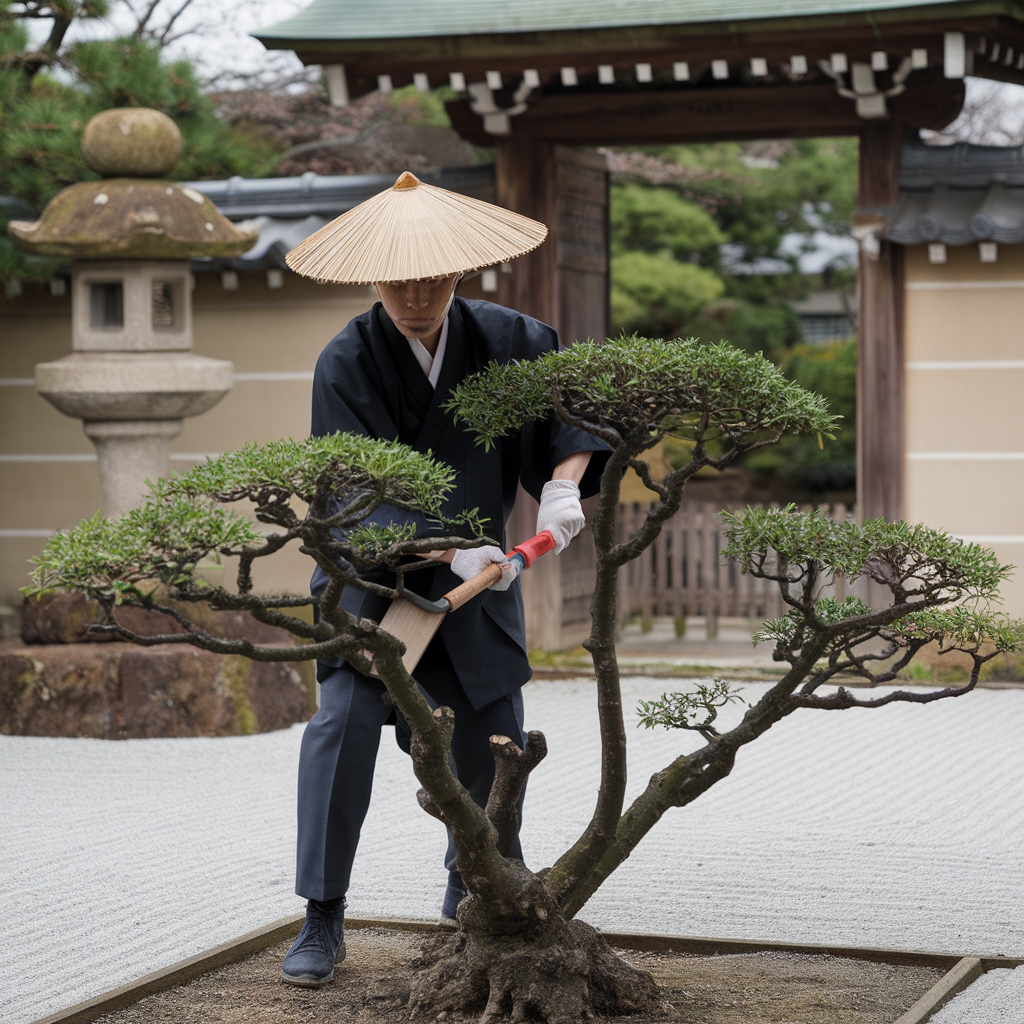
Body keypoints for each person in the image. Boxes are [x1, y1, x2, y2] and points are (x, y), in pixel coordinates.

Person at [278, 171, 608, 986]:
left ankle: (482, 898)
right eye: (399, 279)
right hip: (374, 589)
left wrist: (564, 483)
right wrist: (440, 550)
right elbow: (350, 495)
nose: (417, 294)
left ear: (463, 270)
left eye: (433, 277)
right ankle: (322, 915)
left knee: (495, 744)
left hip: (483, 587)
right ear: (373, 276)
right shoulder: (347, 360)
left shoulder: (515, 340)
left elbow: (575, 420)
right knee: (341, 731)